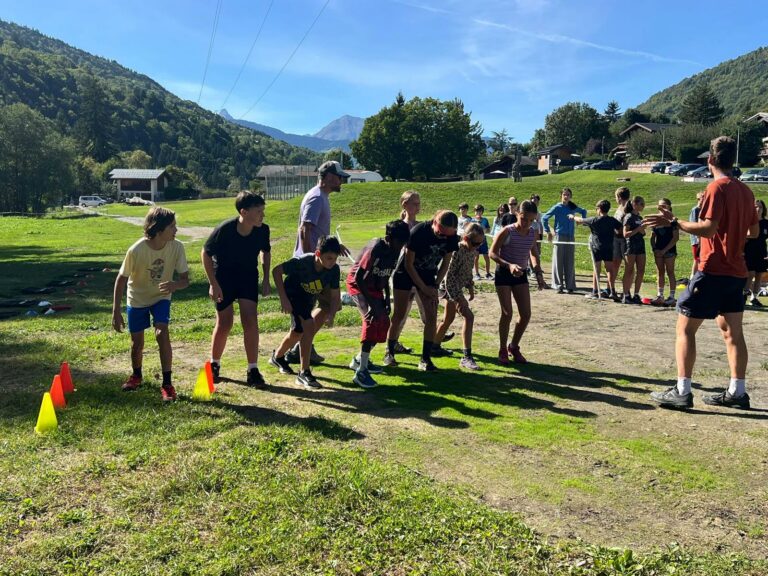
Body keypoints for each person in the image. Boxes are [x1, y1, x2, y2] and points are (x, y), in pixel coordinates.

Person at [646, 136, 758, 409]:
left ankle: (682, 391)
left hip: (712, 269)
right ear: (733, 160)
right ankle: (737, 392)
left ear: (710, 160)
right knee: (733, 332)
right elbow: (753, 232)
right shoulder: (746, 191)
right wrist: (733, 236)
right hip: (736, 271)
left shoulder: (715, 188)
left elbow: (707, 228)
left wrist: (677, 222)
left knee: (685, 328)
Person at [112, 207, 189, 402]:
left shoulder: (177, 247)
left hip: (161, 298)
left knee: (162, 333)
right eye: (172, 227)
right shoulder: (136, 250)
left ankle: (167, 384)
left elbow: (185, 280)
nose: (176, 230)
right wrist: (116, 311)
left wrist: (175, 285)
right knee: (137, 343)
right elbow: (121, 280)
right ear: (158, 229)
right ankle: (136, 376)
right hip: (137, 299)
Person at [201, 191, 271, 388]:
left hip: (248, 277)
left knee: (250, 320)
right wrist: (213, 283)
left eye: (263, 210)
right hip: (224, 278)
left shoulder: (262, 230)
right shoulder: (225, 229)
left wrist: (266, 278)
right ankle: (214, 365)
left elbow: (265, 252)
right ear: (244, 212)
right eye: (258, 211)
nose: (262, 215)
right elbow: (205, 253)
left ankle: (253, 369)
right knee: (225, 322)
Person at [286, 160, 350, 366]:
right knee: (322, 306)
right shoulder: (316, 197)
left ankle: (303, 346)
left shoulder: (321, 196)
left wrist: (333, 246)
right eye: (339, 177)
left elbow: (317, 233)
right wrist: (309, 262)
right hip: (311, 266)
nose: (341, 181)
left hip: (317, 263)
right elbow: (305, 229)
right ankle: (297, 349)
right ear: (329, 177)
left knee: (324, 306)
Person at [385, 210, 459, 371]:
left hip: (428, 276)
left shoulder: (451, 237)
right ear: (435, 222)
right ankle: (389, 352)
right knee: (399, 314)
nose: (443, 237)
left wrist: (435, 285)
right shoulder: (419, 231)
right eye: (440, 233)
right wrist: (423, 288)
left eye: (447, 235)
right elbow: (408, 264)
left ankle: (425, 358)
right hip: (405, 274)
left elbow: (445, 264)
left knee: (431, 316)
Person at [270, 236, 341, 389]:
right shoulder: (302, 262)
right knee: (308, 326)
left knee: (297, 333)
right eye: (329, 258)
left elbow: (335, 296)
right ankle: (304, 372)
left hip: (308, 298)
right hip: (293, 295)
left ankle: (278, 356)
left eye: (335, 259)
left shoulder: (334, 270)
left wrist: (332, 314)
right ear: (318, 254)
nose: (332, 262)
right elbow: (276, 271)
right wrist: (283, 299)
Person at [346, 220, 411, 388]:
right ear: (388, 238)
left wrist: (386, 298)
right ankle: (361, 372)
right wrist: (372, 304)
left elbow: (386, 274)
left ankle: (360, 360)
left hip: (375, 287)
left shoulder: (395, 250)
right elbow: (358, 278)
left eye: (404, 243)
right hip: (358, 285)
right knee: (371, 321)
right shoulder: (375, 248)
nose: (402, 246)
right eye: (400, 242)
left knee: (384, 322)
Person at [490, 200, 546, 364]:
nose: (527, 223)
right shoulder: (507, 231)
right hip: (504, 274)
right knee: (507, 313)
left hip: (521, 274)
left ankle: (513, 346)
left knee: (526, 314)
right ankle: (502, 349)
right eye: (524, 219)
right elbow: (492, 253)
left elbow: (533, 252)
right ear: (517, 214)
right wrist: (509, 265)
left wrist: (538, 271)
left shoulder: (532, 232)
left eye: (531, 220)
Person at [434, 222, 484, 370]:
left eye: (480, 244)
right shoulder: (456, 251)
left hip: (457, 288)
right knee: (469, 316)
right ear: (466, 238)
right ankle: (466, 357)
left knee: (448, 319)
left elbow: (467, 271)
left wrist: (470, 286)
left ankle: (434, 346)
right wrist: (459, 298)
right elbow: (448, 278)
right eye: (475, 243)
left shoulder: (472, 251)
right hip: (448, 289)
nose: (477, 247)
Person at [570, 199, 621, 299]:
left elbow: (580, 220)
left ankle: (595, 291)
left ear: (599, 209)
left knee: (596, 269)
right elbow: (620, 228)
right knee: (610, 269)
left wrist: (573, 217)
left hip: (596, 247)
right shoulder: (612, 220)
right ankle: (612, 291)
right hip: (609, 247)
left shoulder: (594, 220)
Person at [542, 188, 587, 293]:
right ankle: (558, 285)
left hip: (570, 237)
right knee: (558, 261)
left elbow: (583, 211)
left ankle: (570, 285)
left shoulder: (572, 207)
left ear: (570, 196)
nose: (566, 196)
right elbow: (544, 218)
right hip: (559, 237)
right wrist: (548, 231)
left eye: (568, 195)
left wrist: (583, 221)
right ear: (561, 196)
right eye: (564, 194)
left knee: (570, 261)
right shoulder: (557, 207)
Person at [650, 198, 679, 306]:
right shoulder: (656, 220)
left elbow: (676, 238)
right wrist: (654, 249)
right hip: (658, 250)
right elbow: (652, 237)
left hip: (669, 250)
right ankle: (660, 296)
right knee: (660, 272)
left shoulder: (673, 220)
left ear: (669, 207)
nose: (661, 208)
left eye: (664, 205)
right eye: (660, 205)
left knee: (670, 272)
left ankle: (672, 297)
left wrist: (664, 250)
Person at [621, 196, 646, 304]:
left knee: (641, 270)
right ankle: (626, 294)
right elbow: (625, 234)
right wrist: (638, 229)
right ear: (634, 204)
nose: (643, 206)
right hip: (630, 246)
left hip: (640, 245)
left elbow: (643, 233)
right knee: (629, 270)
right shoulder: (628, 217)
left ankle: (636, 294)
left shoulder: (640, 218)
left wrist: (643, 230)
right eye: (641, 204)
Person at [744, 199, 768, 307]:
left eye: (760, 207)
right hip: (748, 251)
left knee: (759, 275)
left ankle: (754, 298)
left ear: (763, 209)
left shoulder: (766, 223)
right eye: (756, 207)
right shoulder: (748, 221)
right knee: (750, 274)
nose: (758, 209)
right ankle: (744, 295)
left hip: (761, 251)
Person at [611, 187, 631, 301]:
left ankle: (626, 291)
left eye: (616, 197)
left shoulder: (628, 207)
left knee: (628, 265)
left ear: (619, 197)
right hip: (616, 238)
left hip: (624, 240)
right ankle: (611, 288)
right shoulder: (619, 207)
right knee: (615, 263)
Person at [472, 204, 492, 279]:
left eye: (480, 211)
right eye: (477, 211)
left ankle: (488, 273)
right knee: (476, 257)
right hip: (475, 242)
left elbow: (488, 230)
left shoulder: (485, 220)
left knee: (486, 257)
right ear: (474, 211)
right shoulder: (472, 220)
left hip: (483, 242)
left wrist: (484, 229)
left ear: (482, 212)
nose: (478, 212)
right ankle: (477, 274)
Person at [689, 191, 705, 279]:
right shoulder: (695, 209)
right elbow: (693, 225)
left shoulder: (705, 209)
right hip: (697, 240)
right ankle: (693, 278)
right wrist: (698, 239)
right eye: (702, 197)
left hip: (704, 239)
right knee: (697, 259)